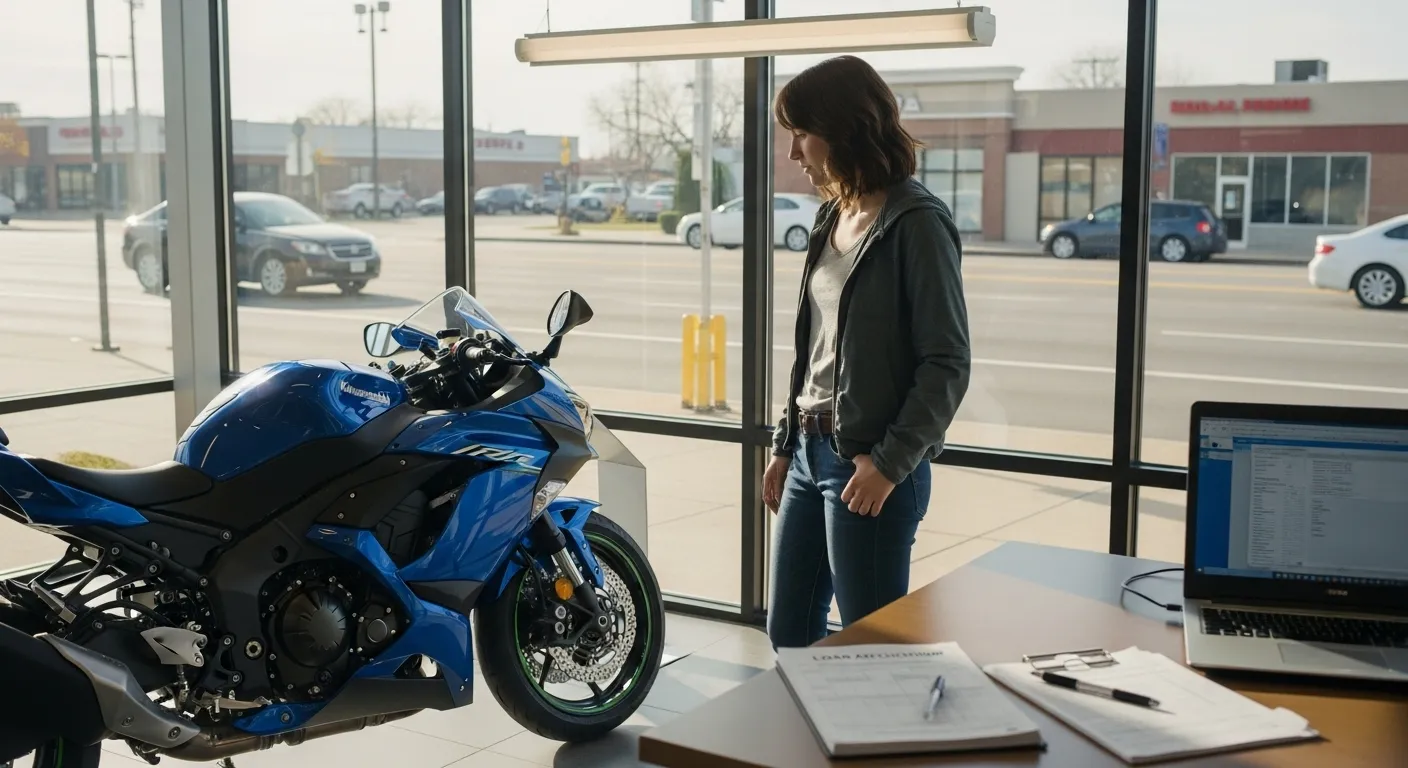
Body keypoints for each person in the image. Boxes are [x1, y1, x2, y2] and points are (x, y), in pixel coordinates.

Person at [764, 55, 972, 649]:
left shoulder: (916, 223)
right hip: (809, 453)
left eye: (802, 134)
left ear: (843, 128)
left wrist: (888, 463)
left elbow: (947, 362)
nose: (793, 152)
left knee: (871, 649)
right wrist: (785, 445)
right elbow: (815, 350)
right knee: (789, 633)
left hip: (869, 465)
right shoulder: (832, 216)